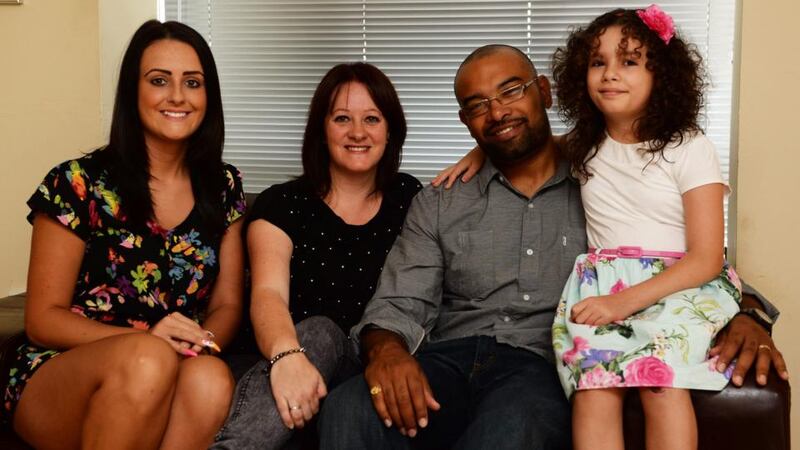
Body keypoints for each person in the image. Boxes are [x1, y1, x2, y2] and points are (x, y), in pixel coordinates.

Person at [319, 41, 788, 449]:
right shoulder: (441, 201)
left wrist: (748, 314)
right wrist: (387, 352)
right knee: (350, 406)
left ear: (543, 91)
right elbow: (399, 301)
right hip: (448, 357)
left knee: (514, 426)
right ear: (465, 121)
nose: (497, 112)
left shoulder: (605, 179)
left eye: (510, 91)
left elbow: (682, 258)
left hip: (536, 366)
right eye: (478, 104)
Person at [2, 20, 246, 450]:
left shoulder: (223, 186)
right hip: (62, 370)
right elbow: (42, 320)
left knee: (210, 376)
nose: (177, 96)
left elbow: (226, 304)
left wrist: (200, 344)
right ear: (132, 92)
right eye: (158, 80)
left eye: (192, 82)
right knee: (147, 359)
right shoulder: (78, 182)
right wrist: (147, 341)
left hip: (169, 364)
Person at [544, 5, 738, 450]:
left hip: (681, 283)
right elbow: (528, 148)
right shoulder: (586, 145)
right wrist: (477, 155)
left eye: (629, 61)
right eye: (598, 62)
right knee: (594, 388)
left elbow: (707, 257)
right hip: (603, 283)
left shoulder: (688, 146)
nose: (610, 74)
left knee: (659, 381)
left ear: (661, 75)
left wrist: (625, 303)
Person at [211, 62, 423, 449]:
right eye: (342, 118)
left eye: (372, 118)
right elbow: (268, 294)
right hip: (284, 359)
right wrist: (287, 357)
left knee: (335, 337)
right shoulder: (283, 204)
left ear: (390, 130)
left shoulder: (411, 199)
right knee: (321, 331)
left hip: (369, 367)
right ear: (321, 130)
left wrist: (475, 156)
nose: (357, 132)